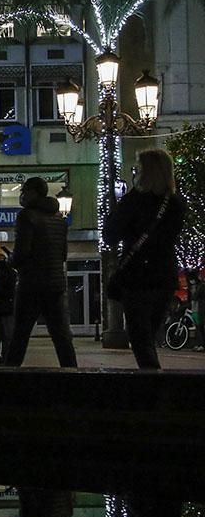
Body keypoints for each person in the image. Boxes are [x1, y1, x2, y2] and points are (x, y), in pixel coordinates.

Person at [104, 148, 187, 369]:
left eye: (138, 168)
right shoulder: (175, 204)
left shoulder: (135, 201)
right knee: (148, 336)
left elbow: (110, 234)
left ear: (146, 172)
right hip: (164, 276)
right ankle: (154, 387)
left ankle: (152, 391)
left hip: (138, 277)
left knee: (141, 340)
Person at [4, 177, 78, 368]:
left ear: (33, 193)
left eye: (25, 191)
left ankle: (7, 377)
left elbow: (22, 253)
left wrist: (11, 260)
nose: (22, 195)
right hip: (55, 284)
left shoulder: (26, 216)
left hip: (31, 284)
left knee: (19, 336)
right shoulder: (59, 219)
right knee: (61, 337)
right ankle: (74, 374)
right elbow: (63, 254)